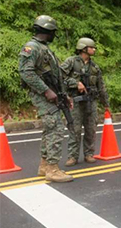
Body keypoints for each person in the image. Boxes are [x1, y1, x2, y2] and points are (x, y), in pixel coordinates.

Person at [18, 15, 74, 182]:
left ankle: (44, 166)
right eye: (53, 32)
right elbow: (26, 72)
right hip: (43, 95)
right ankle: (53, 169)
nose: (54, 35)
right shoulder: (32, 47)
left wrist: (64, 95)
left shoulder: (44, 48)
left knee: (50, 129)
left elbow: (56, 76)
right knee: (56, 128)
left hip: (52, 94)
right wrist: (46, 91)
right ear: (48, 31)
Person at [60, 37, 110, 166]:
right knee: (74, 129)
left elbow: (101, 86)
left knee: (91, 128)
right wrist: (75, 83)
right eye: (92, 47)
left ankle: (89, 154)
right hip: (75, 101)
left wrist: (106, 104)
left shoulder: (94, 67)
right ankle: (72, 156)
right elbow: (60, 76)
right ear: (84, 48)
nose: (94, 49)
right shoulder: (71, 62)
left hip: (91, 101)